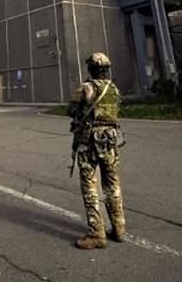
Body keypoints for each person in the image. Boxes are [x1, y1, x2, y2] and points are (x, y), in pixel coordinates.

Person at [67, 52, 125, 249]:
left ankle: (97, 234)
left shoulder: (86, 88)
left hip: (90, 143)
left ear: (91, 69)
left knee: (90, 187)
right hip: (110, 142)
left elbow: (71, 109)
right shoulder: (114, 89)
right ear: (107, 69)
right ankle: (119, 229)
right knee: (113, 185)